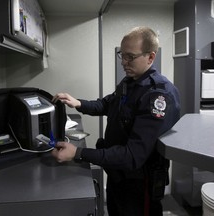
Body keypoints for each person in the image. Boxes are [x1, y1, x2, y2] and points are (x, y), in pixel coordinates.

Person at [52, 26, 180, 216]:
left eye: (130, 57)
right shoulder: (130, 82)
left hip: (138, 184)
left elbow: (132, 156)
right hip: (117, 173)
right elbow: (107, 104)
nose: (124, 62)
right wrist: (78, 103)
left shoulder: (158, 96)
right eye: (122, 55)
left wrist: (78, 152)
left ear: (150, 57)